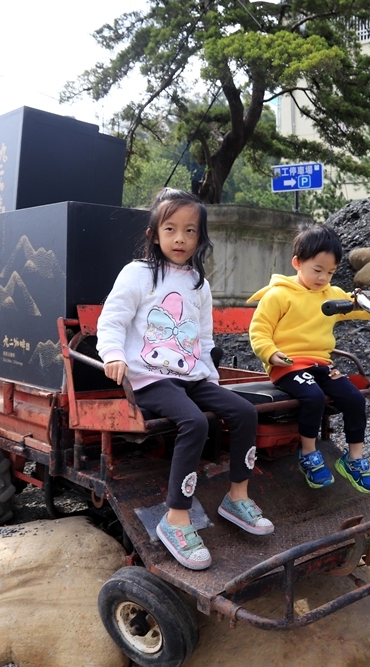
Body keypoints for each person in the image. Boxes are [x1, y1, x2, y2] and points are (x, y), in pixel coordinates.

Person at [96, 188, 273, 571]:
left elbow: (205, 338)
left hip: (191, 377)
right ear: (153, 234)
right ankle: (176, 518)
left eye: (190, 231)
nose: (180, 239)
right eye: (171, 229)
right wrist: (112, 355)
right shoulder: (138, 274)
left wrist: (209, 377)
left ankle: (236, 497)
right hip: (149, 379)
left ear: (200, 238)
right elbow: (112, 320)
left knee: (244, 412)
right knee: (192, 422)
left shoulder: (198, 284)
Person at [247, 225, 370, 494]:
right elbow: (259, 330)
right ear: (297, 263)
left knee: (354, 398)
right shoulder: (279, 295)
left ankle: (353, 460)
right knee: (313, 397)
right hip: (289, 365)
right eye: (317, 270)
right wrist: (271, 353)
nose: (323, 278)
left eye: (330, 272)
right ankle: (308, 454)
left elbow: (358, 308)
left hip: (321, 364)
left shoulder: (331, 294)